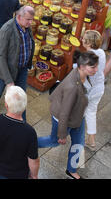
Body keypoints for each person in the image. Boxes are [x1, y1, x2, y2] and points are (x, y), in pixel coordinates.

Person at [38, 51, 99, 179]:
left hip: (78, 117)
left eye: (96, 66)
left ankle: (71, 170)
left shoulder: (82, 74)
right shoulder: (73, 87)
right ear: (82, 67)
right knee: (54, 141)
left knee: (79, 144)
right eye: (93, 67)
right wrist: (62, 134)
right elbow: (64, 113)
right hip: (63, 119)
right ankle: (29, 143)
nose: (96, 69)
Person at [0, 6, 35, 121]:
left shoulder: (26, 27)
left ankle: (21, 120)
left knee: (21, 97)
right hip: (5, 70)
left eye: (32, 19)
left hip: (22, 68)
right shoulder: (7, 29)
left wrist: (28, 62)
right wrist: (9, 81)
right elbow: (1, 57)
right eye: (28, 19)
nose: (31, 22)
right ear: (19, 17)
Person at [0, 86, 39, 179]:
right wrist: (34, 175)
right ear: (24, 107)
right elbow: (33, 160)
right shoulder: (29, 132)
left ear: (6, 105)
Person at [77, 30, 106, 151]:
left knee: (80, 111)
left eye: (84, 38)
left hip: (89, 89)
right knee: (91, 112)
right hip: (99, 87)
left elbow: (80, 72)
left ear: (88, 42)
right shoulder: (101, 52)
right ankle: (91, 140)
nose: (82, 39)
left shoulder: (87, 57)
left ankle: (75, 135)